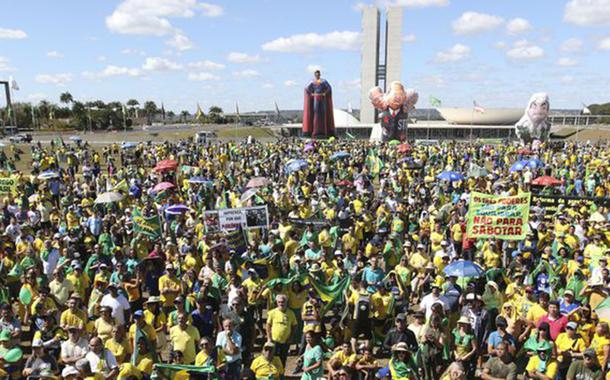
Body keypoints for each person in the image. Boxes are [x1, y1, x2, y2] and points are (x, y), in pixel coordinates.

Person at [266, 294, 297, 367]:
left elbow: (294, 326)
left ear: (286, 302)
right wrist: (269, 338)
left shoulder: (291, 313)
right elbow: (268, 325)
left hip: (286, 341)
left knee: (283, 358)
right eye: (279, 302)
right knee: (273, 358)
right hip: (274, 340)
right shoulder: (272, 312)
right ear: (277, 302)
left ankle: (281, 374)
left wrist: (291, 337)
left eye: (283, 302)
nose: (281, 304)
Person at [302, 70, 335, 138]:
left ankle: (323, 131)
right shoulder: (312, 81)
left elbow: (329, 88)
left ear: (320, 74)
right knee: (316, 113)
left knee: (322, 114)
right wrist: (312, 94)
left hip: (322, 98)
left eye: (318, 74)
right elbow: (306, 88)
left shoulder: (323, 81)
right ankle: (315, 131)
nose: (317, 75)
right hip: (316, 98)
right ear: (315, 75)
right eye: (316, 74)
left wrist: (324, 93)